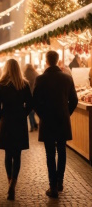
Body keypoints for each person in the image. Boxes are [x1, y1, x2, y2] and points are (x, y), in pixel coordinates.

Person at [33, 50, 78, 199]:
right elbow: (74, 100)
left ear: (46, 61)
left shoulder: (40, 79)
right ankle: (60, 181)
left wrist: (42, 116)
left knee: (50, 153)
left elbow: (35, 102)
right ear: (58, 60)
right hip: (62, 120)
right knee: (62, 151)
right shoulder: (67, 78)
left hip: (47, 120)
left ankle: (52, 186)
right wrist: (66, 113)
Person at [0, 58, 32, 201]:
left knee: (8, 154)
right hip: (19, 122)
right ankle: (14, 183)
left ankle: (9, 181)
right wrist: (23, 114)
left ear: (6, 69)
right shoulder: (24, 84)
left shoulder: (1, 85)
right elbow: (30, 103)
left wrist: (1, 117)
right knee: (17, 155)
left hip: (6, 122)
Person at [23, 64, 39, 132]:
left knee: (30, 112)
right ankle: (35, 124)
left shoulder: (24, 74)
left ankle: (32, 126)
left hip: (28, 95)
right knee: (33, 111)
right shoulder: (36, 73)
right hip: (36, 95)